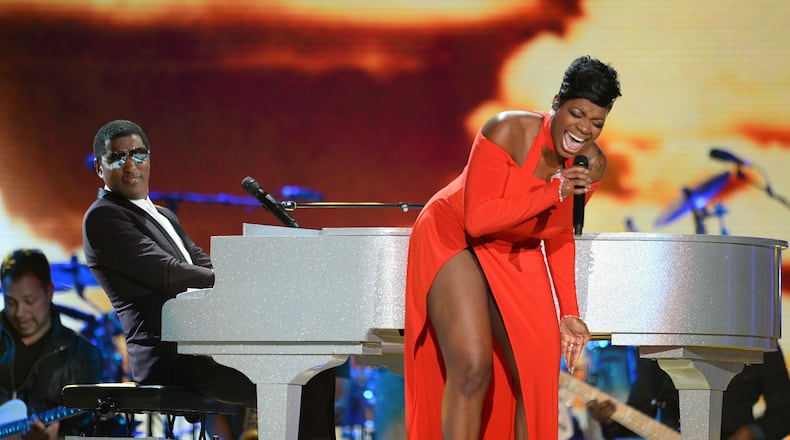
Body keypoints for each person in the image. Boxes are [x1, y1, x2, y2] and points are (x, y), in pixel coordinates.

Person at [403, 55, 622, 439]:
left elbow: (557, 232)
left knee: (535, 375)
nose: (584, 130)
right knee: (473, 366)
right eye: (577, 114)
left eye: (597, 123)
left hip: (515, 248)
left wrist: (568, 311)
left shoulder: (591, 165)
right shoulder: (507, 130)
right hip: (454, 234)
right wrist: (553, 190)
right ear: (557, 102)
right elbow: (479, 219)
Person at [82, 119, 337, 440]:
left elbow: (199, 262)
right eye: (118, 157)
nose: (131, 164)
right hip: (172, 357)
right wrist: (242, 283)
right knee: (302, 380)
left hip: (204, 346)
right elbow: (168, 273)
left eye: (138, 154)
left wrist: (255, 275)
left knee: (316, 371)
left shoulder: (163, 215)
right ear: (99, 168)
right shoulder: (103, 216)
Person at [0, 248, 103, 440]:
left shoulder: (84, 355)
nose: (19, 313)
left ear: (49, 291)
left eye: (29, 301)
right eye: (11, 302)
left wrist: (55, 438)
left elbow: (90, 427)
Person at [586, 346, 790, 440]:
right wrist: (611, 419)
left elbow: (784, 414)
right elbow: (642, 410)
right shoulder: (660, 340)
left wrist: (750, 434)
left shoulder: (759, 343)